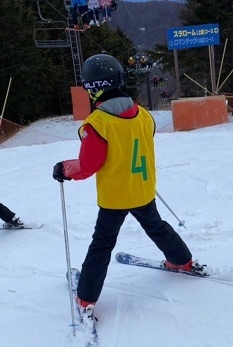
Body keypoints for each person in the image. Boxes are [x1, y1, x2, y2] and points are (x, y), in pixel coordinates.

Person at [52, 53, 204, 315]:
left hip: (115, 197)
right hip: (143, 190)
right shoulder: (143, 115)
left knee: (102, 244)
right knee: (157, 227)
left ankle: (86, 298)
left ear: (93, 89)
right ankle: (183, 260)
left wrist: (65, 169)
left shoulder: (97, 124)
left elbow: (89, 165)